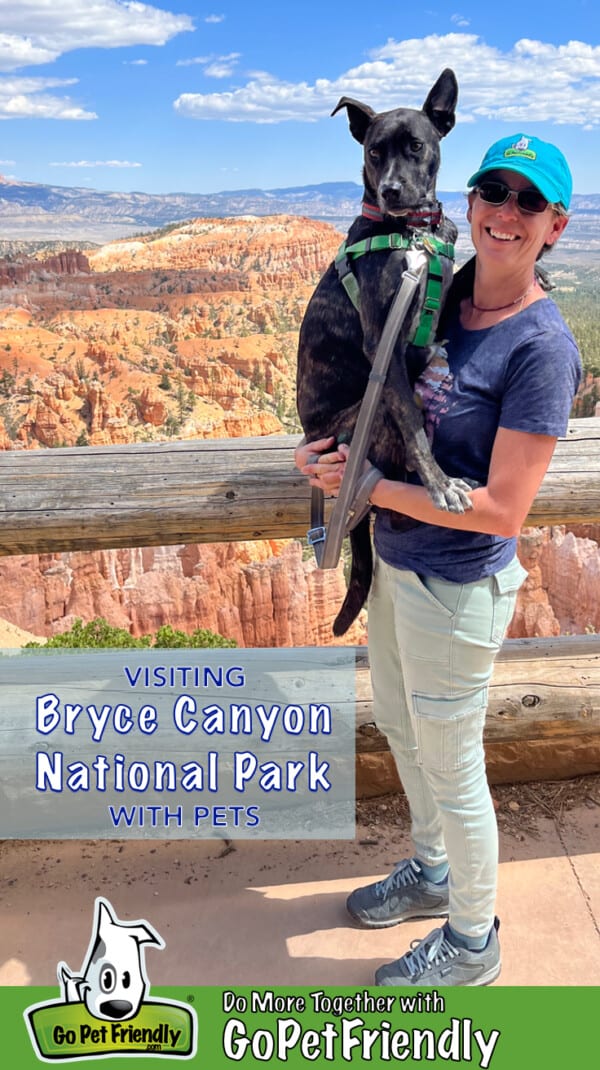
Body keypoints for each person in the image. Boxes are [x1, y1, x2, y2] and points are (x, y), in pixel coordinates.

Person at [295, 133, 582, 986]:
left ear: (555, 227)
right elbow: (368, 391)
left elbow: (500, 507)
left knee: (454, 770)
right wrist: (322, 461)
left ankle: (472, 940)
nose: (506, 212)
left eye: (529, 203)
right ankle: (431, 873)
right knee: (404, 736)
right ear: (467, 201)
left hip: (458, 588)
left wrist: (370, 490)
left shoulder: (541, 347)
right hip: (396, 567)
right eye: (494, 191)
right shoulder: (442, 295)